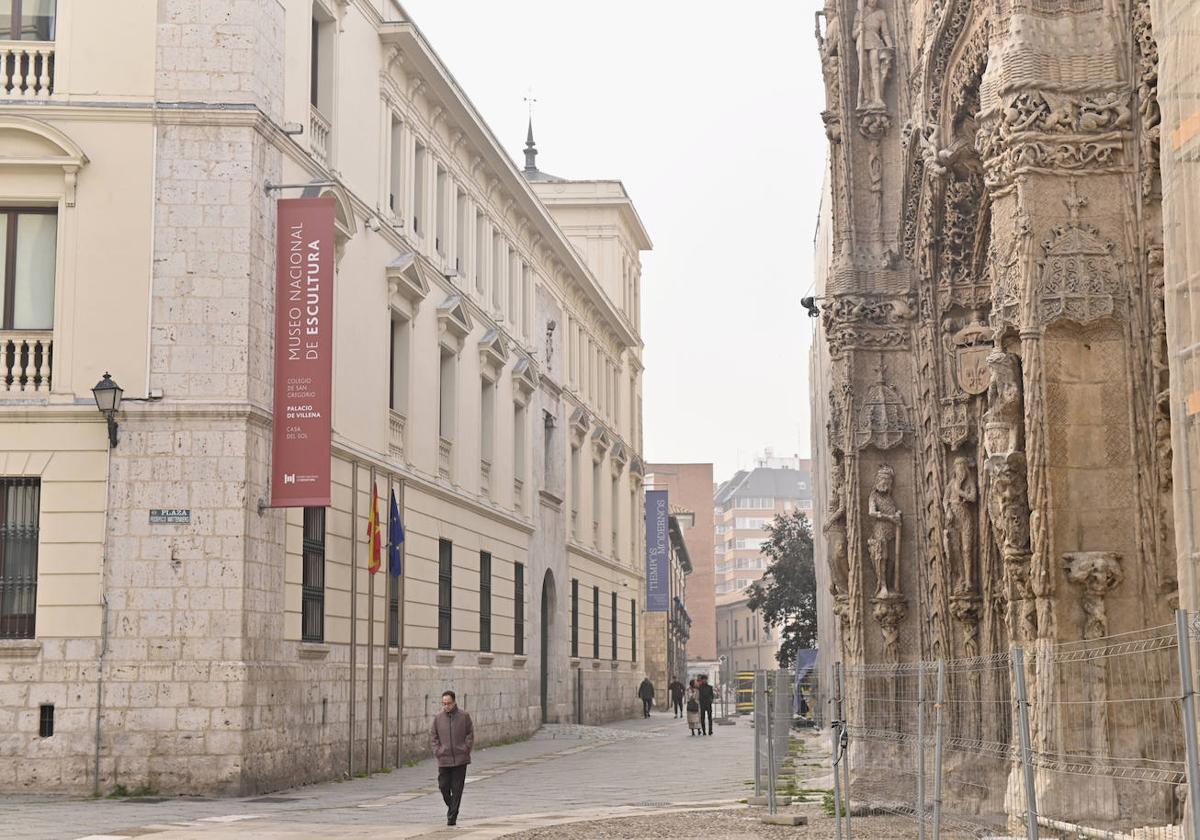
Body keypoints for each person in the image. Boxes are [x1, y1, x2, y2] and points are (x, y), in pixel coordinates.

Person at [430, 690, 474, 826]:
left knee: (457, 788)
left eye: (448, 703)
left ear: (454, 702)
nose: (446, 706)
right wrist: (438, 751)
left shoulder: (464, 716)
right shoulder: (438, 718)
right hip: (444, 759)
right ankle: (452, 807)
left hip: (460, 759)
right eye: (444, 703)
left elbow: (470, 734)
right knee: (443, 786)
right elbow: (433, 736)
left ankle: (452, 817)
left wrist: (465, 748)